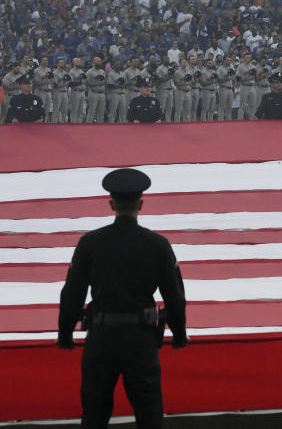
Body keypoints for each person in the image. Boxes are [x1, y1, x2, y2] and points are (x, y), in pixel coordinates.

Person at [57, 168, 188, 429]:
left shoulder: (90, 243)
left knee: (94, 415)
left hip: (101, 339)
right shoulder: (157, 245)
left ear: (111, 204)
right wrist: (179, 333)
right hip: (141, 341)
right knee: (149, 415)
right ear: (140, 204)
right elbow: (174, 295)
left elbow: (72, 293)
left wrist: (65, 334)